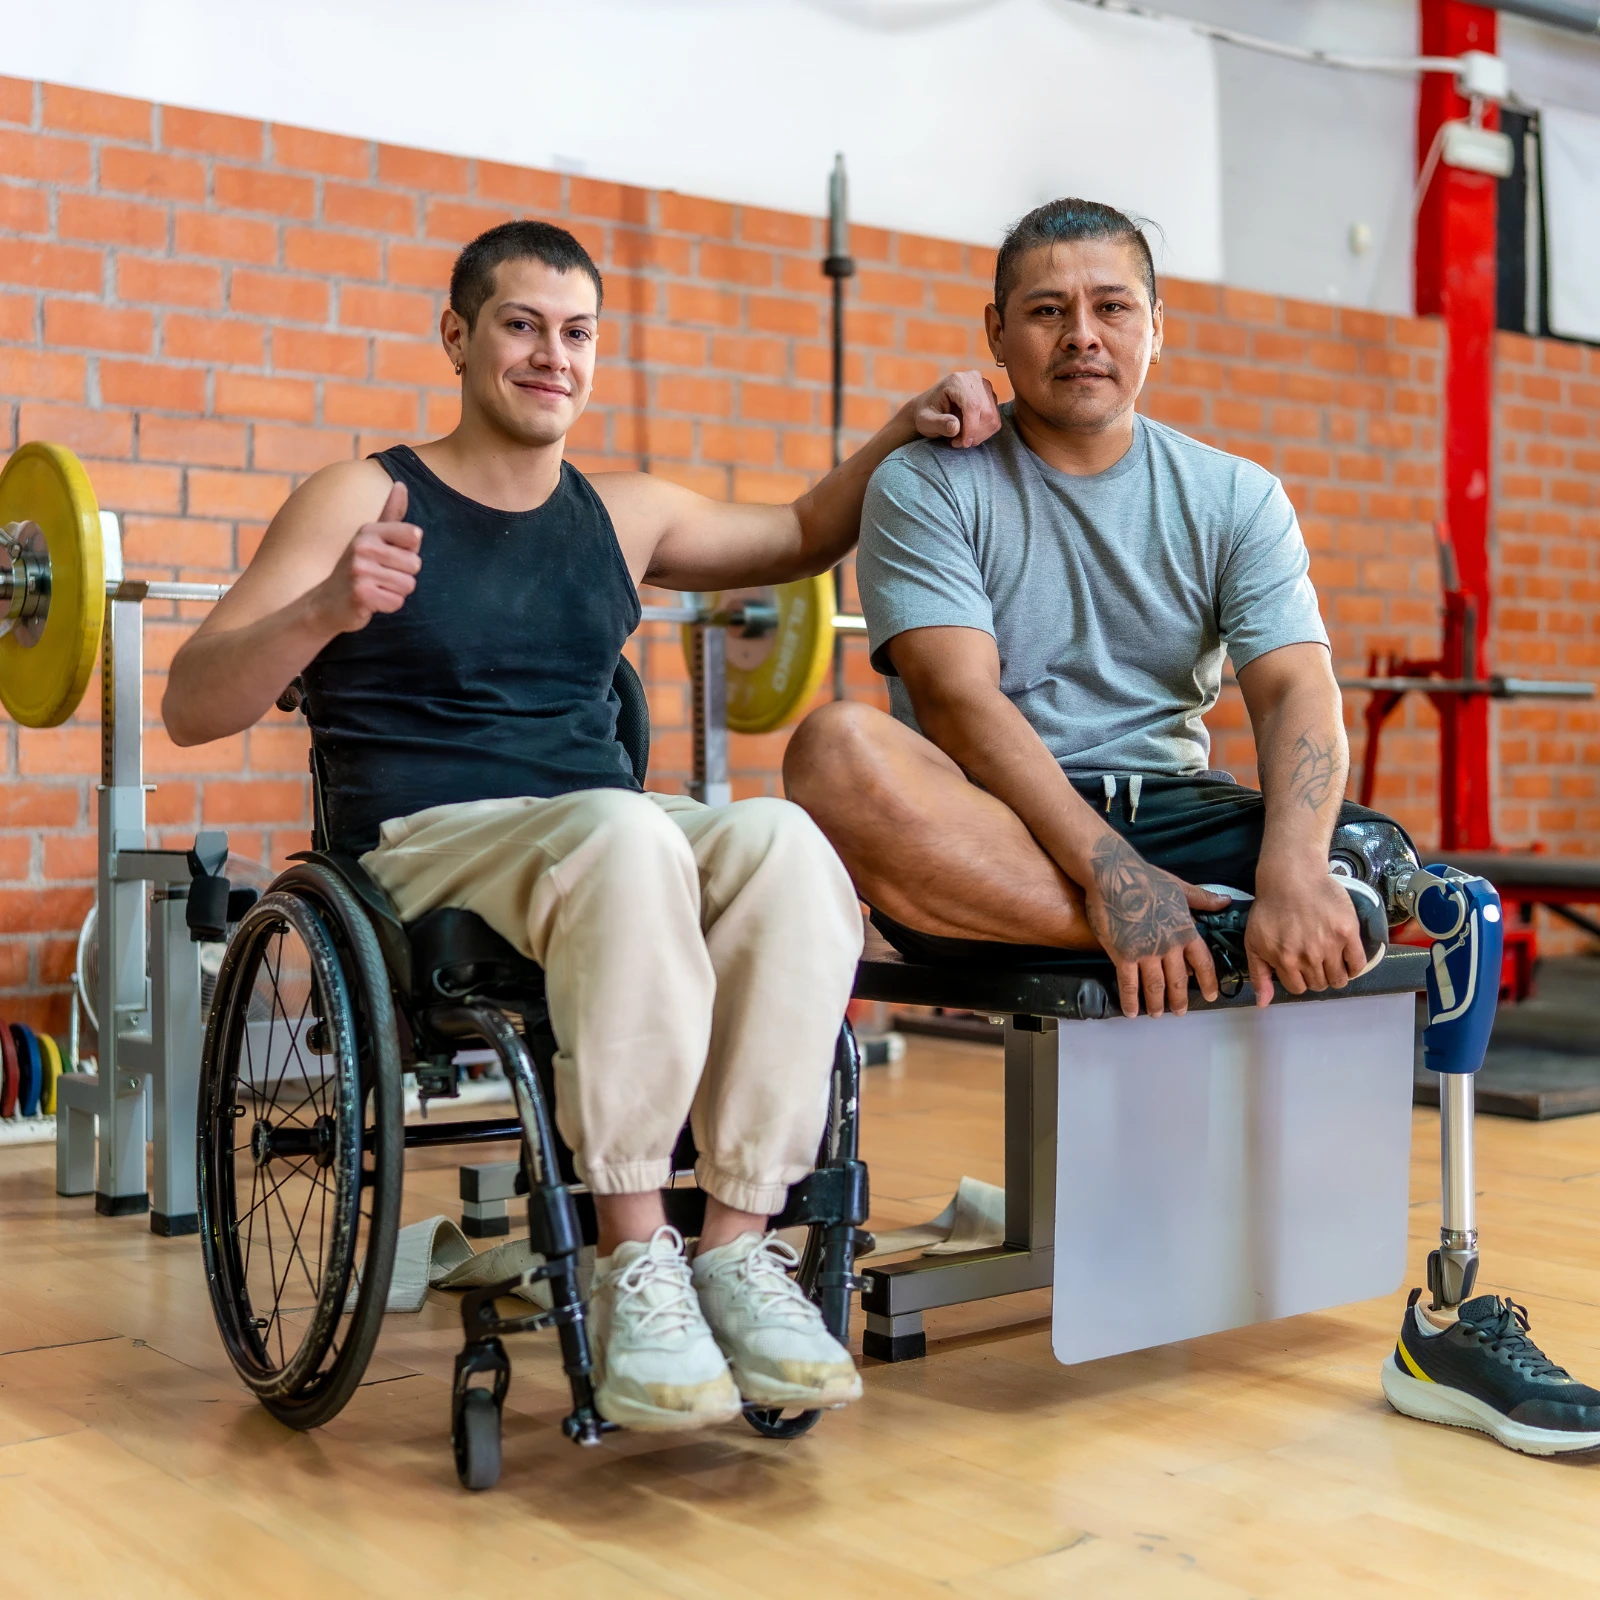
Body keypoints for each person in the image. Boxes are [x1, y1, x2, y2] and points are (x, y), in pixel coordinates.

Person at [783, 197, 1600, 1456]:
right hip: (995, 822)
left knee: (1392, 874)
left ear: (1157, 327)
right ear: (996, 331)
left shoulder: (1232, 494)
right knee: (834, 748)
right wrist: (1115, 878)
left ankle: (1449, 1303)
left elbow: (1291, 687)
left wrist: (1287, 867)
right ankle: (1202, 932)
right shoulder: (924, 483)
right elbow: (956, 695)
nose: (1082, 335)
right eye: (1047, 310)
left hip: (1182, 816)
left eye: (1111, 306)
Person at [163, 219, 1000, 1433]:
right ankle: (631, 1252)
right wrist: (326, 609)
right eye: (520, 324)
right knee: (626, 831)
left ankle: (734, 1246)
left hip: (601, 828)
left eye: (576, 332)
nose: (552, 354)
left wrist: (906, 424)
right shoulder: (363, 493)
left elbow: (810, 527)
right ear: (456, 336)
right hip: (434, 840)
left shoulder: (625, 514)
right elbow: (193, 701)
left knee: (782, 843)